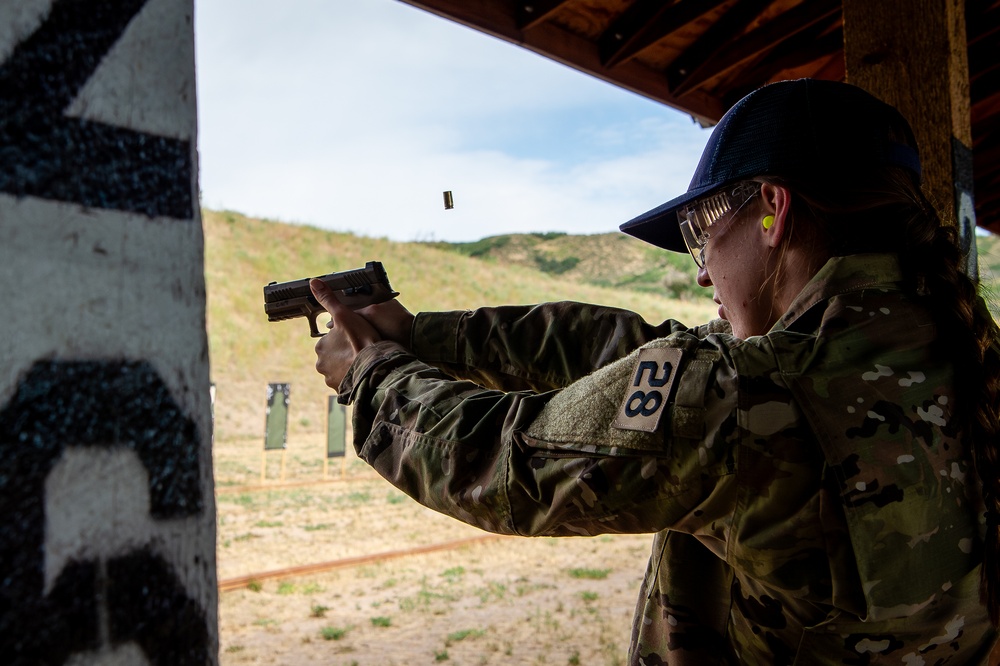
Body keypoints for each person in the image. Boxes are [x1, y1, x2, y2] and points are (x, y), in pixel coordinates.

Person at [309, 79, 1000, 664]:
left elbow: (503, 461)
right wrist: (428, 336)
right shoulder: (951, 345)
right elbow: (635, 350)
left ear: (772, 210)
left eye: (701, 232)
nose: (700, 270)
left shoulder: (751, 392)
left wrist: (371, 373)